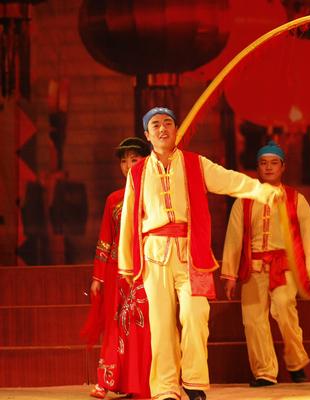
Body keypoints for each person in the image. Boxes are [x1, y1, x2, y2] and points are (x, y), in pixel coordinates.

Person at [118, 107, 282, 400]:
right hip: (154, 254)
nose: (162, 128)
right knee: (161, 325)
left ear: (176, 130)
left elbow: (230, 180)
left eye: (168, 123)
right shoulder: (138, 173)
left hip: (191, 253)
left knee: (195, 316)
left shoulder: (195, 164)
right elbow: (129, 218)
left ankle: (194, 382)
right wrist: (127, 265)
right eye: (155, 125)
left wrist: (261, 191)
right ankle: (166, 388)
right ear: (147, 135)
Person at [221, 140, 310, 387]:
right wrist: (230, 275)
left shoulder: (295, 199)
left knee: (285, 309)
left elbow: (309, 236)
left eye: (274, 163)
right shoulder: (244, 200)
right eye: (264, 163)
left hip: (283, 267)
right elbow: (234, 237)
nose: (268, 167)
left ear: (283, 167)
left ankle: (296, 362)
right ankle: (264, 372)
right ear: (257, 167)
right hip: (253, 267)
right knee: (253, 320)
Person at [82, 137, 151, 399]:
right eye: (124, 161)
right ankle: (106, 380)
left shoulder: (154, 196)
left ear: (146, 161)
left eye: (134, 159)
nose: (128, 165)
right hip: (116, 271)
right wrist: (98, 276)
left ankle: (140, 382)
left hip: (146, 268)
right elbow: (105, 239)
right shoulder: (114, 199)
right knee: (116, 324)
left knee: (142, 326)